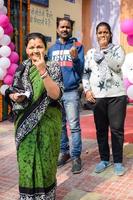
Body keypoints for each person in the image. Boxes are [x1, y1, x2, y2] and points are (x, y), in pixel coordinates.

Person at [5, 32, 64, 200]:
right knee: (26, 165)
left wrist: (42, 71)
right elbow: (14, 90)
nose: (35, 50)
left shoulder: (53, 66)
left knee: (46, 165)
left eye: (39, 46)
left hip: (48, 125)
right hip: (24, 127)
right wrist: (14, 96)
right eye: (31, 47)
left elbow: (55, 95)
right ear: (26, 49)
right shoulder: (21, 68)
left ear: (45, 49)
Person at [82, 22, 127, 176]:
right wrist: (87, 90)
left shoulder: (117, 49)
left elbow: (117, 66)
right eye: (100, 33)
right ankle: (104, 160)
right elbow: (85, 73)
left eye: (105, 32)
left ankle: (118, 162)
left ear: (110, 34)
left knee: (116, 130)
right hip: (98, 98)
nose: (103, 35)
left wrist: (105, 53)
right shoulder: (90, 53)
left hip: (116, 96)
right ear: (96, 35)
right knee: (101, 130)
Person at [48, 17, 84, 174]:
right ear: (57, 29)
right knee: (60, 125)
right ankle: (65, 152)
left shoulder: (78, 46)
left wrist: (75, 58)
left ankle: (76, 157)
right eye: (62, 27)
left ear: (70, 29)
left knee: (74, 126)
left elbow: (81, 70)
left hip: (70, 92)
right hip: (56, 93)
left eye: (67, 27)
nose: (64, 29)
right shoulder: (51, 50)